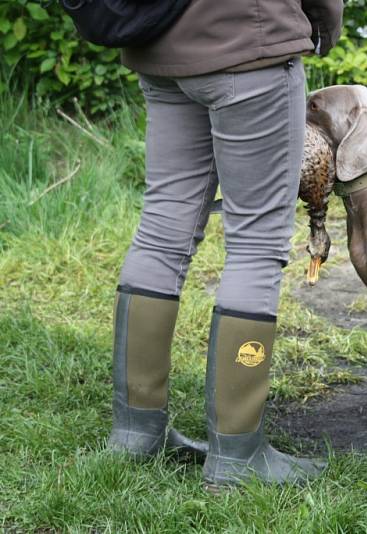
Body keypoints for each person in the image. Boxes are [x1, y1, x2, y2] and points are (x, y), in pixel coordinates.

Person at [107, 0, 343, 488]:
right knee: (257, 241)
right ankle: (237, 455)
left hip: (160, 44)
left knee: (161, 229)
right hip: (248, 43)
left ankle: (135, 432)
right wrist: (322, 23)